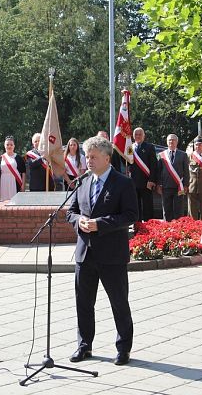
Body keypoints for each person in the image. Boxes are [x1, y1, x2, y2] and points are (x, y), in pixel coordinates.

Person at [66, 136, 138, 366]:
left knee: (119, 303)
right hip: (85, 254)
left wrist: (101, 223)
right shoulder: (83, 182)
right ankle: (84, 345)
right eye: (87, 156)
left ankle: (123, 348)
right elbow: (71, 211)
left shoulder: (123, 183)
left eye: (93, 157)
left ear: (107, 158)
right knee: (84, 303)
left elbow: (130, 215)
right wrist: (79, 221)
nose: (89, 160)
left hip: (112, 255)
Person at [157, 134, 189, 221]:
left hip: (179, 187)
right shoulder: (161, 155)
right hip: (166, 186)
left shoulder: (183, 155)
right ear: (167, 142)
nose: (171, 141)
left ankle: (179, 229)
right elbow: (158, 171)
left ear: (177, 142)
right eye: (169, 140)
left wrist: (185, 185)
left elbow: (186, 171)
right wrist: (159, 185)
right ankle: (167, 228)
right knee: (167, 210)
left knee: (179, 210)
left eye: (173, 140)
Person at [129, 127, 157, 221]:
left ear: (144, 136)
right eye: (136, 134)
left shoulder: (149, 147)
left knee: (147, 206)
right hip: (134, 182)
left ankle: (149, 228)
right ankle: (137, 226)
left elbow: (154, 165)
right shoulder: (130, 148)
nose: (138, 136)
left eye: (140, 134)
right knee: (135, 206)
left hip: (146, 182)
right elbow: (128, 162)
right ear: (133, 136)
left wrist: (152, 180)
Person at [0, 136, 26, 201]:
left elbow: (23, 172)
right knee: (4, 202)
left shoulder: (19, 158)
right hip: (3, 182)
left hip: (15, 182)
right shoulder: (0, 159)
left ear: (14, 146)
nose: (9, 146)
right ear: (4, 146)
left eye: (11, 145)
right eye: (7, 145)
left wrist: (23, 186)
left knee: (15, 202)